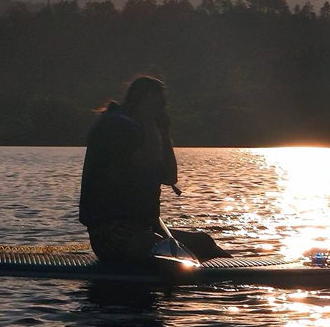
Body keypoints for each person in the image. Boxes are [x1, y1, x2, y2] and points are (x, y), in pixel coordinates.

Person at [79, 75, 230, 265]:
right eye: (158, 105)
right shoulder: (116, 127)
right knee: (169, 254)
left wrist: (164, 132)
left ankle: (239, 278)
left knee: (203, 242)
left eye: (163, 105)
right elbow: (147, 161)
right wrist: (150, 122)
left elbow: (170, 177)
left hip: (142, 228)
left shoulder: (142, 130)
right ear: (143, 102)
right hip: (110, 233)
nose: (162, 111)